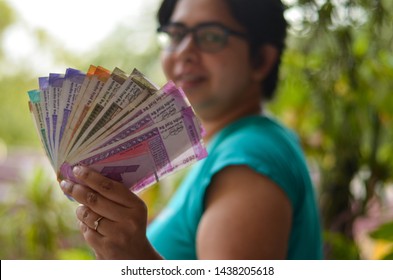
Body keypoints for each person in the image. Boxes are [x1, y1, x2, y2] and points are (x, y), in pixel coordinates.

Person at [60, 0, 323, 259]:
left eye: (210, 36)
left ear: (261, 60)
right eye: (175, 34)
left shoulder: (248, 157)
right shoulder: (244, 142)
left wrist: (137, 259)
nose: (184, 51)